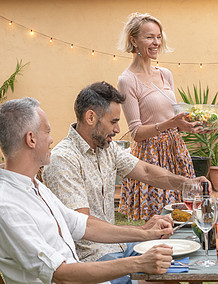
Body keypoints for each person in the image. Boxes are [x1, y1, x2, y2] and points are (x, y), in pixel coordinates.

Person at [0, 97, 174, 284]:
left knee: (171, 268)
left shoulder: (34, 186)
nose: (51, 139)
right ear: (31, 139)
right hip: (78, 274)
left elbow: (82, 225)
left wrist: (145, 232)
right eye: (47, 131)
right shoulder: (8, 207)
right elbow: (62, 274)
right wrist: (138, 263)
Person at [42, 82, 208, 271]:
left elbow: (146, 172)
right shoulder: (64, 159)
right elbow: (84, 226)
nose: (118, 129)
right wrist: (142, 232)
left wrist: (187, 183)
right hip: (90, 259)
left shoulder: (107, 148)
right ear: (90, 117)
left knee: (176, 264)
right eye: (113, 121)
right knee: (160, 272)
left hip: (118, 247)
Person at [116, 12, 204, 221]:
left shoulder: (165, 74)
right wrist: (171, 122)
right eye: (149, 37)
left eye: (158, 36)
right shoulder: (127, 80)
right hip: (150, 155)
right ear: (133, 40)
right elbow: (136, 133)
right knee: (159, 218)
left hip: (176, 148)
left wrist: (187, 125)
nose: (156, 42)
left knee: (185, 212)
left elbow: (173, 115)